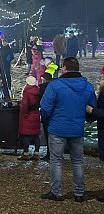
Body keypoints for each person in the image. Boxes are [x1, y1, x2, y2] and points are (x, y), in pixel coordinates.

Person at [39, 56, 96, 202]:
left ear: (64, 68)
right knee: (77, 161)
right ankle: (79, 193)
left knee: (56, 161)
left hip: (57, 127)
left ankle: (56, 192)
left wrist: (49, 119)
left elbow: (45, 107)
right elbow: (92, 107)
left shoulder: (55, 85)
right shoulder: (88, 86)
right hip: (77, 128)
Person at [17, 76, 41, 160]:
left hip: (27, 116)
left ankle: (26, 153)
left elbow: (25, 105)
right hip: (36, 115)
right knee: (36, 135)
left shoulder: (27, 91)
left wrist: (23, 113)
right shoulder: (38, 90)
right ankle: (37, 153)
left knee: (26, 134)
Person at [38, 71, 53, 157]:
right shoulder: (55, 87)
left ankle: (49, 153)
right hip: (55, 114)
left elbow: (39, 101)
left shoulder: (42, 87)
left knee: (47, 133)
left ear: (44, 79)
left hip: (46, 113)